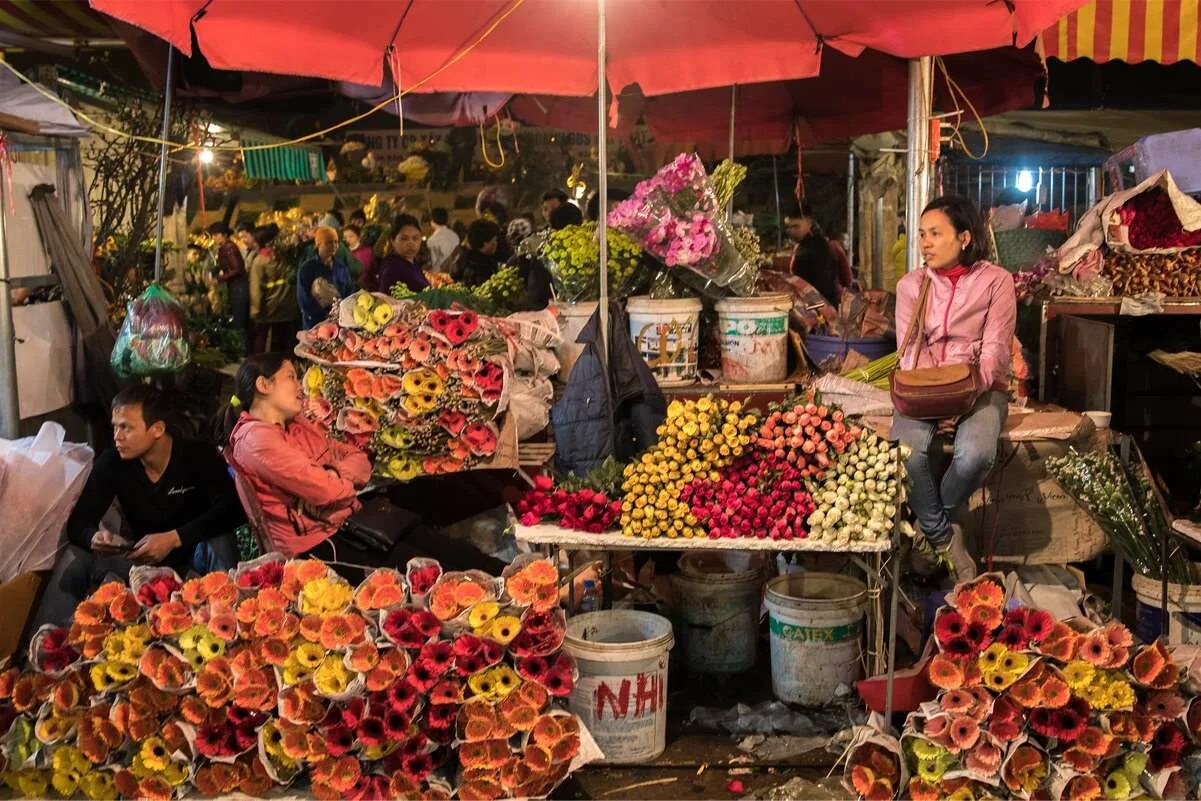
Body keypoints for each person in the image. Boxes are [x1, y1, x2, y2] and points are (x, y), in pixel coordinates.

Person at [221, 354, 506, 576]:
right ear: (263, 385)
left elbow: (358, 458)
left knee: (451, 550)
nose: (300, 386)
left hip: (351, 522)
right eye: (291, 377)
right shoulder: (256, 440)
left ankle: (523, 580)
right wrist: (335, 483)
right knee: (431, 572)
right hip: (319, 547)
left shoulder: (296, 425)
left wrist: (334, 477)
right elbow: (327, 491)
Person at [32, 386, 244, 629]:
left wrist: (174, 539)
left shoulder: (197, 455)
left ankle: (230, 626)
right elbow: (79, 523)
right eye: (115, 426)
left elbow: (233, 510)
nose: (117, 436)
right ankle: (46, 646)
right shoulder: (111, 463)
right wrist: (94, 538)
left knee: (220, 539)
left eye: (126, 427)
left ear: (157, 429)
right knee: (76, 555)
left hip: (193, 560)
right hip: (142, 562)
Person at [892, 195, 1017, 581]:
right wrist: (936, 399)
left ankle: (929, 534)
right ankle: (946, 539)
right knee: (907, 454)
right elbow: (909, 350)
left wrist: (964, 396)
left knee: (975, 455)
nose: (925, 243)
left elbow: (996, 347)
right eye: (922, 234)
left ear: (964, 237)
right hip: (925, 387)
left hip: (981, 386)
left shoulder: (997, 281)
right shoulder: (911, 285)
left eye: (935, 233)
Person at [247, 224, 297, 354]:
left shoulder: (259, 261)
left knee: (261, 339)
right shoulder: (285, 257)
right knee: (286, 341)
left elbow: (255, 289)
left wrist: (255, 311)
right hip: (287, 307)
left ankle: (261, 364)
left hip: (268, 309)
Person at [784, 202, 845, 306]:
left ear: (809, 223)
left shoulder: (818, 247)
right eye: (788, 227)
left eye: (796, 226)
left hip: (820, 307)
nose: (791, 231)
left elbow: (823, 286)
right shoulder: (804, 245)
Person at [297, 226, 355, 329]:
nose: (333, 246)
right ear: (318, 244)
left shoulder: (341, 268)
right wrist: (324, 316)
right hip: (315, 325)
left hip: (340, 323)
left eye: (336, 242)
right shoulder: (307, 269)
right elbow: (304, 299)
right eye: (328, 242)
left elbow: (349, 293)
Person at [210, 222, 251, 355]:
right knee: (239, 321)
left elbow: (237, 269)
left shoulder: (229, 248)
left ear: (224, 235)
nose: (214, 238)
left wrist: (220, 278)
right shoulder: (226, 247)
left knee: (240, 322)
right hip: (235, 286)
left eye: (216, 235)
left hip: (238, 288)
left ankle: (243, 353)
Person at [364, 214, 429, 295]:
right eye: (404, 239)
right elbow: (387, 300)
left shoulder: (414, 263)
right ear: (393, 241)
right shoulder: (392, 267)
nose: (411, 243)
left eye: (415, 238)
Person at [450, 219, 502, 288]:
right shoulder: (483, 267)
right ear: (485, 243)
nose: (496, 243)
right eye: (495, 240)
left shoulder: (462, 257)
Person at [426, 207, 459, 272]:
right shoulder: (455, 236)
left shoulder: (432, 240)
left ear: (432, 221)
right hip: (454, 273)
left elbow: (433, 262)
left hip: (438, 275)